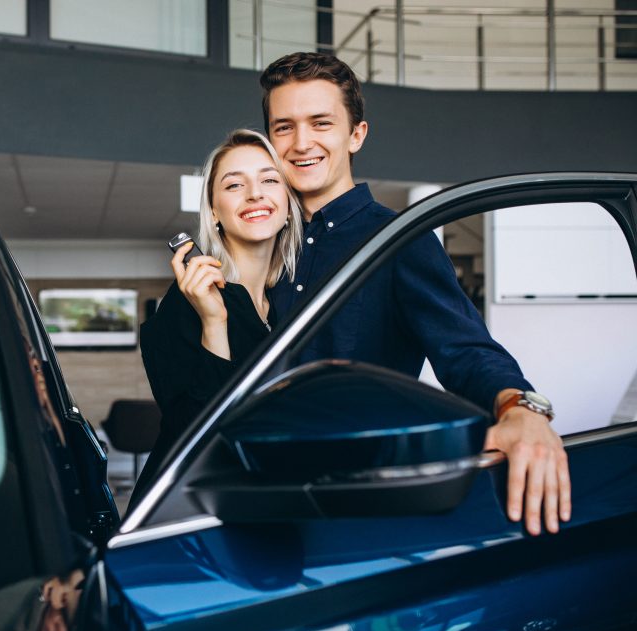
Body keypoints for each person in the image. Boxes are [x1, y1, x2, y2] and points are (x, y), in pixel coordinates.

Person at [260, 51, 570, 535]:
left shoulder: (401, 239)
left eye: (321, 123)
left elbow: (465, 351)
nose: (302, 143)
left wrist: (521, 408)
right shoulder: (267, 244)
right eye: (284, 127)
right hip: (261, 493)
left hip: (355, 500)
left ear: (356, 134)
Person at [134, 129, 301, 503]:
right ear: (213, 211)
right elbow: (193, 436)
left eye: (269, 180)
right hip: (188, 516)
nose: (255, 193)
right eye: (234, 185)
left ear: (288, 202)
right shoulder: (187, 300)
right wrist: (214, 323)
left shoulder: (291, 302)